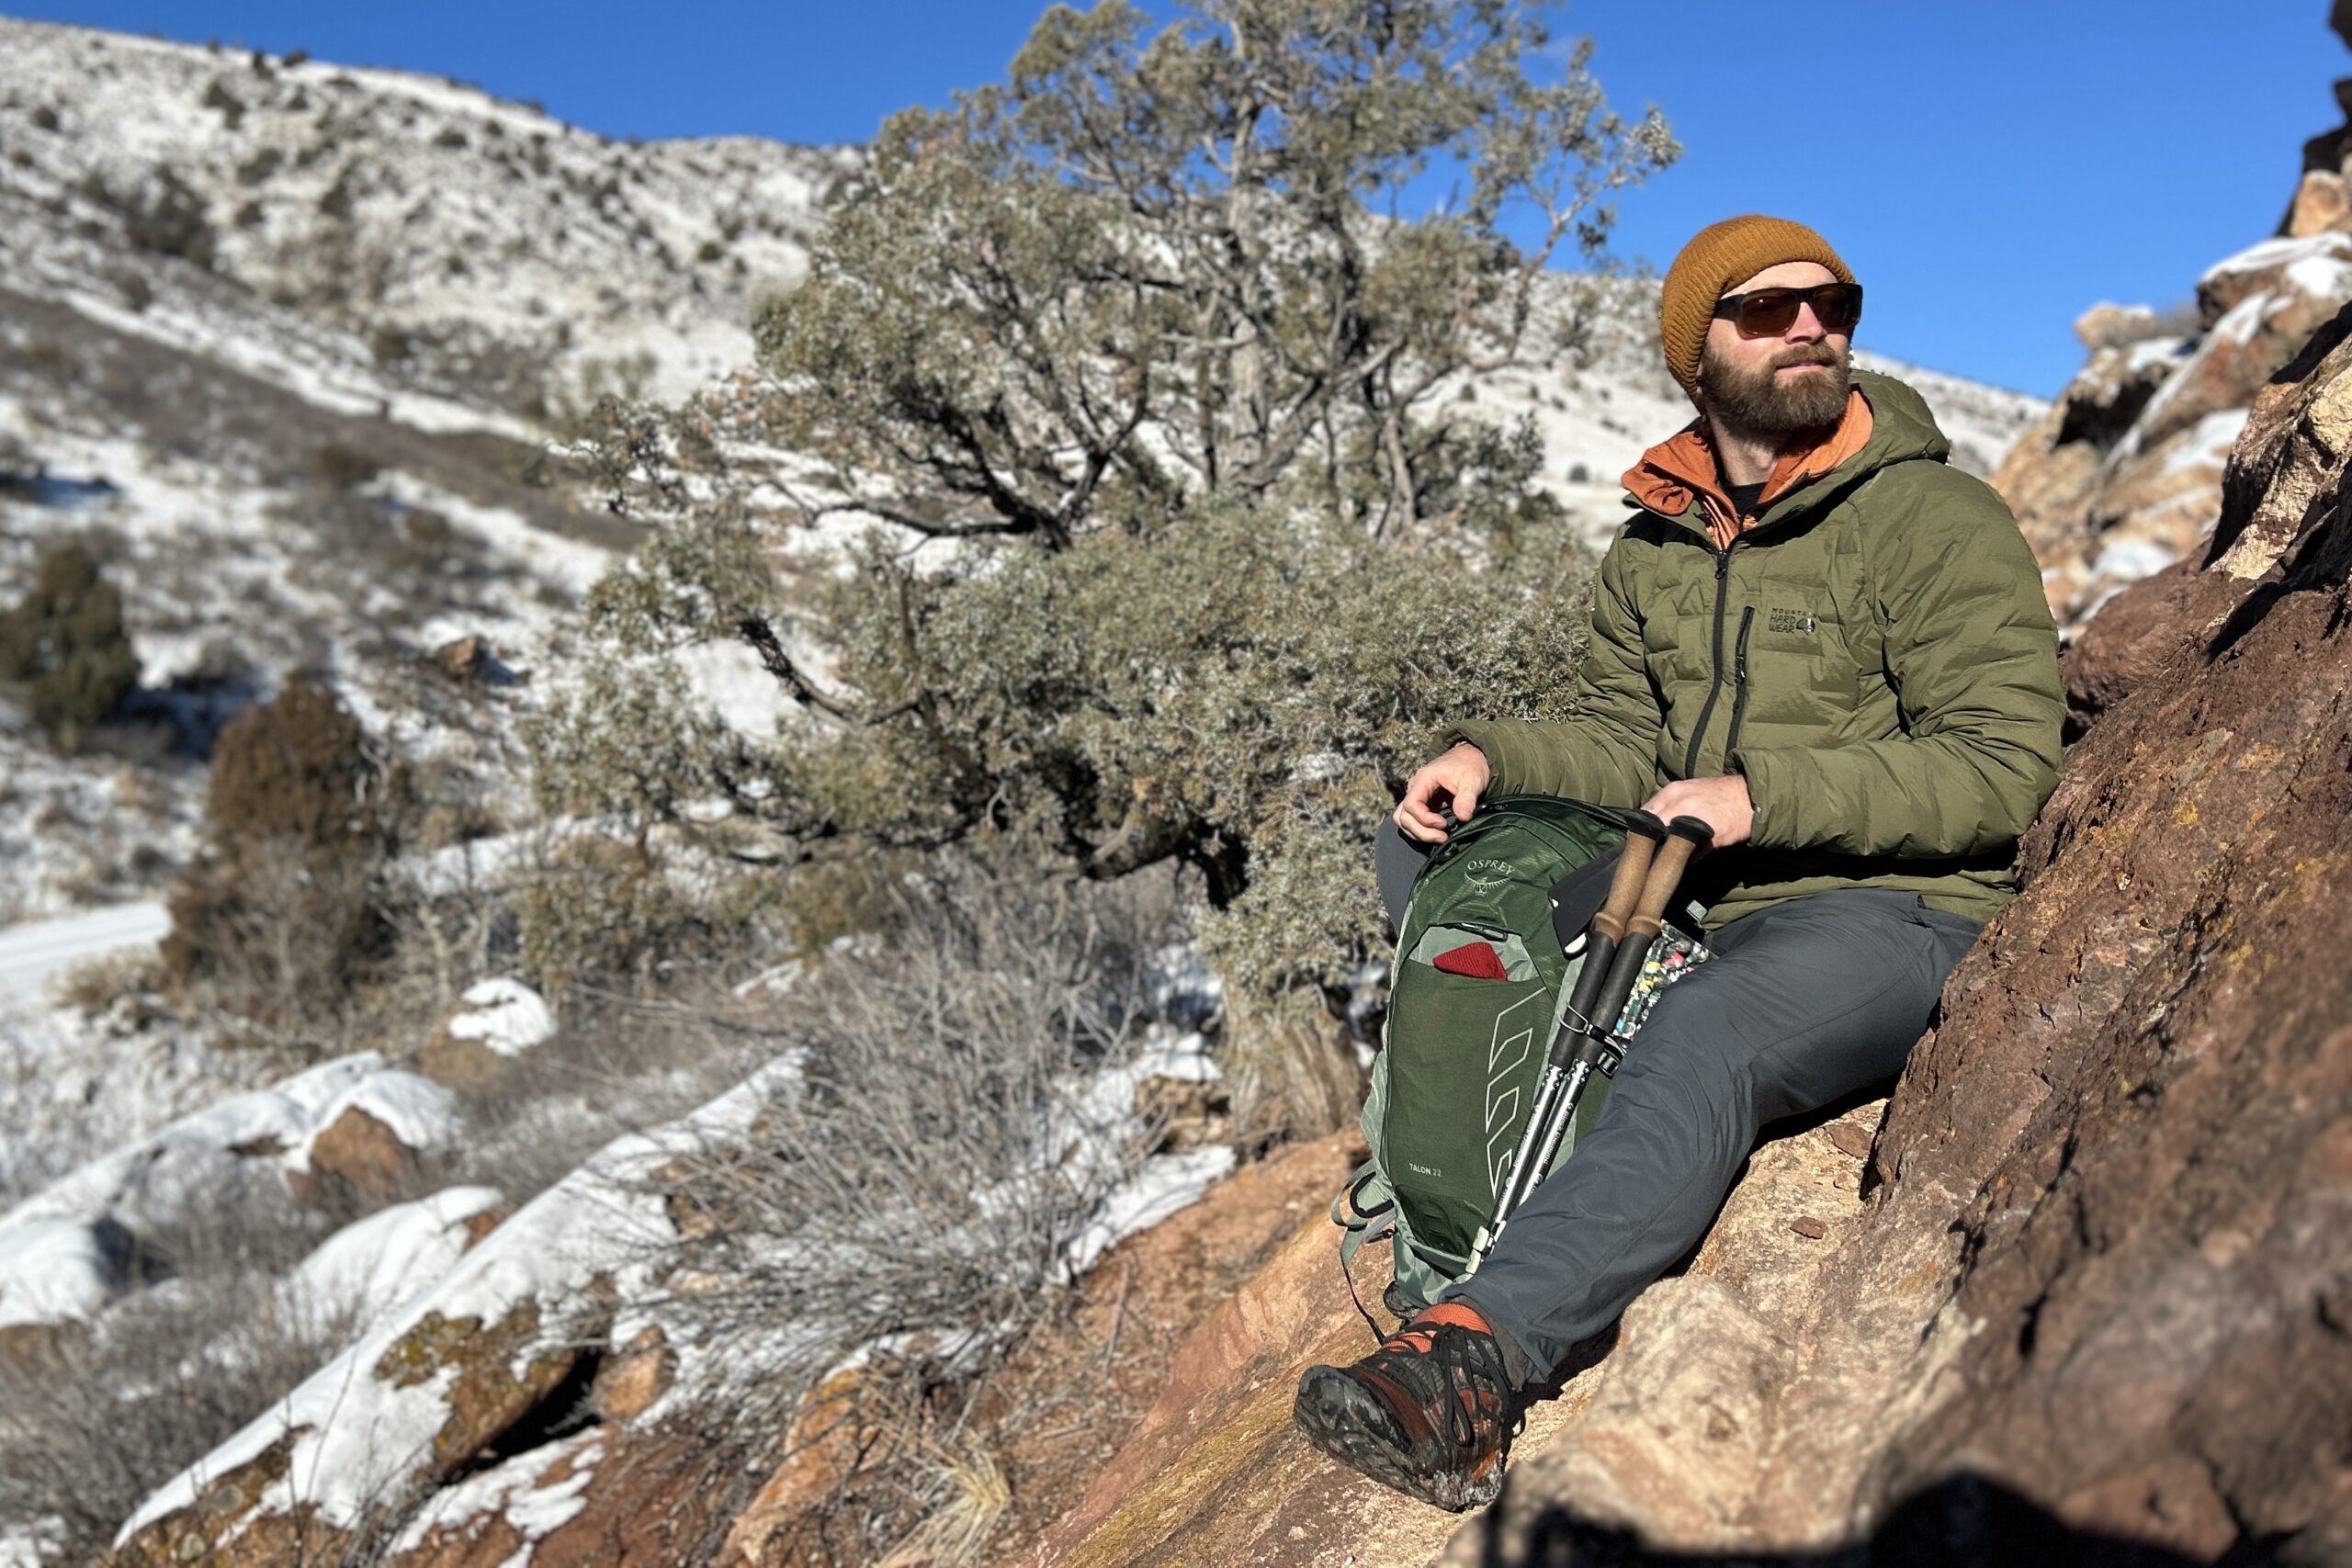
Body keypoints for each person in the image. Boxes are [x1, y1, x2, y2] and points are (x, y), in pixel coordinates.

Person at [1290, 214, 2065, 1511]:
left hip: (1892, 904)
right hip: (1706, 879)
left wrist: (1763, 799)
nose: (1811, 325)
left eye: (1831, 302)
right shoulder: (1656, 544)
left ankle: (1477, 1363)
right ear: (1693, 354)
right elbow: (1622, 735)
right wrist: (1492, 761)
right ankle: (1446, 1194)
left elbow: (2001, 768)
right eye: (1766, 310)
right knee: (1443, 871)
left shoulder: (1933, 518)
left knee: (1705, 1033)